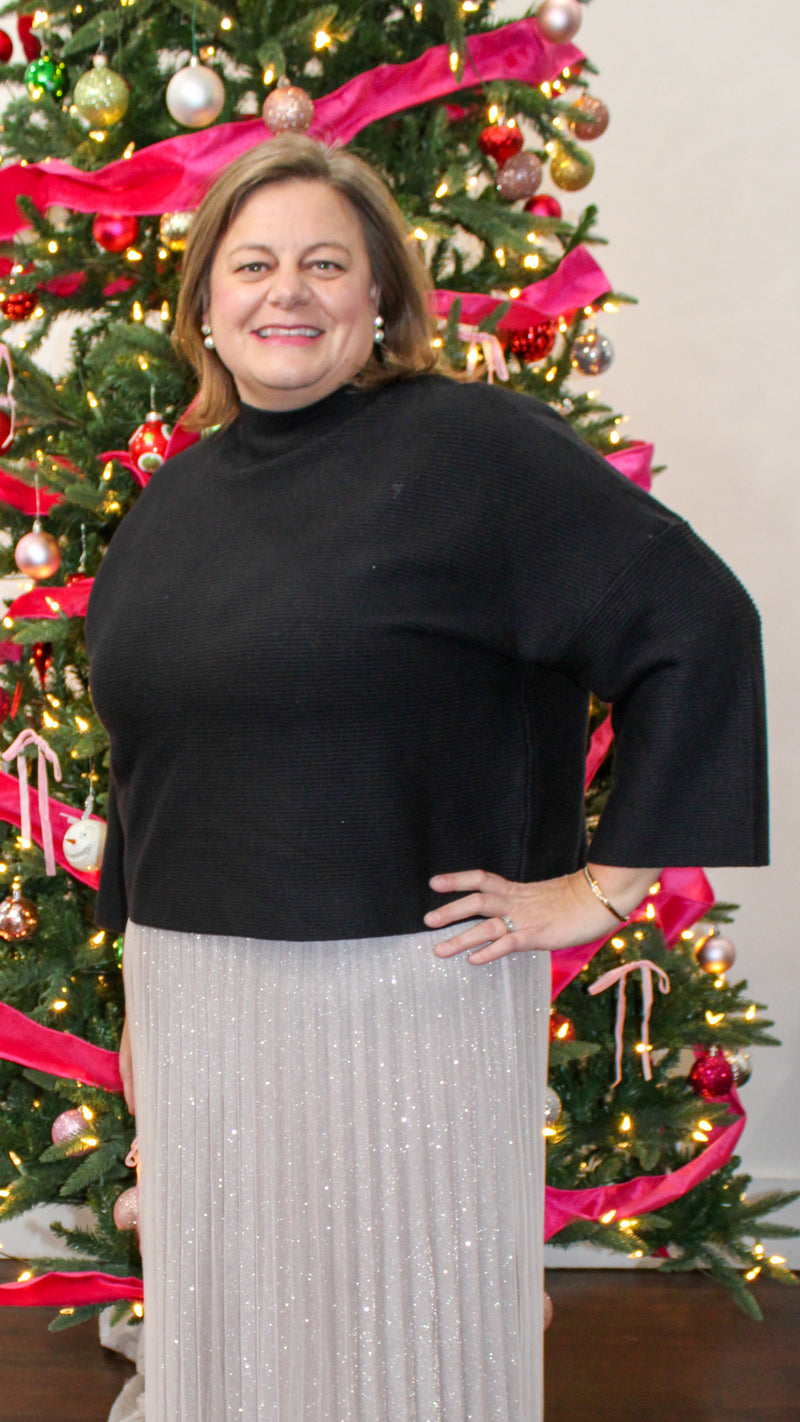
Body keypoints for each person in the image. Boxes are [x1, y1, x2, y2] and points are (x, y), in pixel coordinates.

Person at [86, 134, 768, 1422]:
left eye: (324, 262)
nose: (287, 292)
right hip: (198, 1005)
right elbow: (156, 762)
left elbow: (697, 622)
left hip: (407, 998)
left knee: (407, 1354)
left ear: (381, 296)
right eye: (254, 265)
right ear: (207, 308)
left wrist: (605, 888)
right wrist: (143, 1012)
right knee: (236, 1351)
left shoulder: (473, 450)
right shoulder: (174, 501)